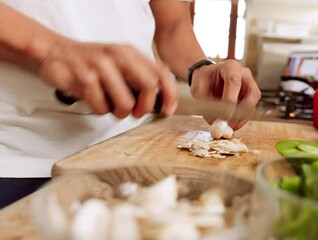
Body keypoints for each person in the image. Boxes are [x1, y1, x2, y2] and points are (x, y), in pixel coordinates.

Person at [0, 0, 261, 208]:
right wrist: (52, 51)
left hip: (135, 150)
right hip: (19, 159)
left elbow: (172, 22)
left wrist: (200, 69)